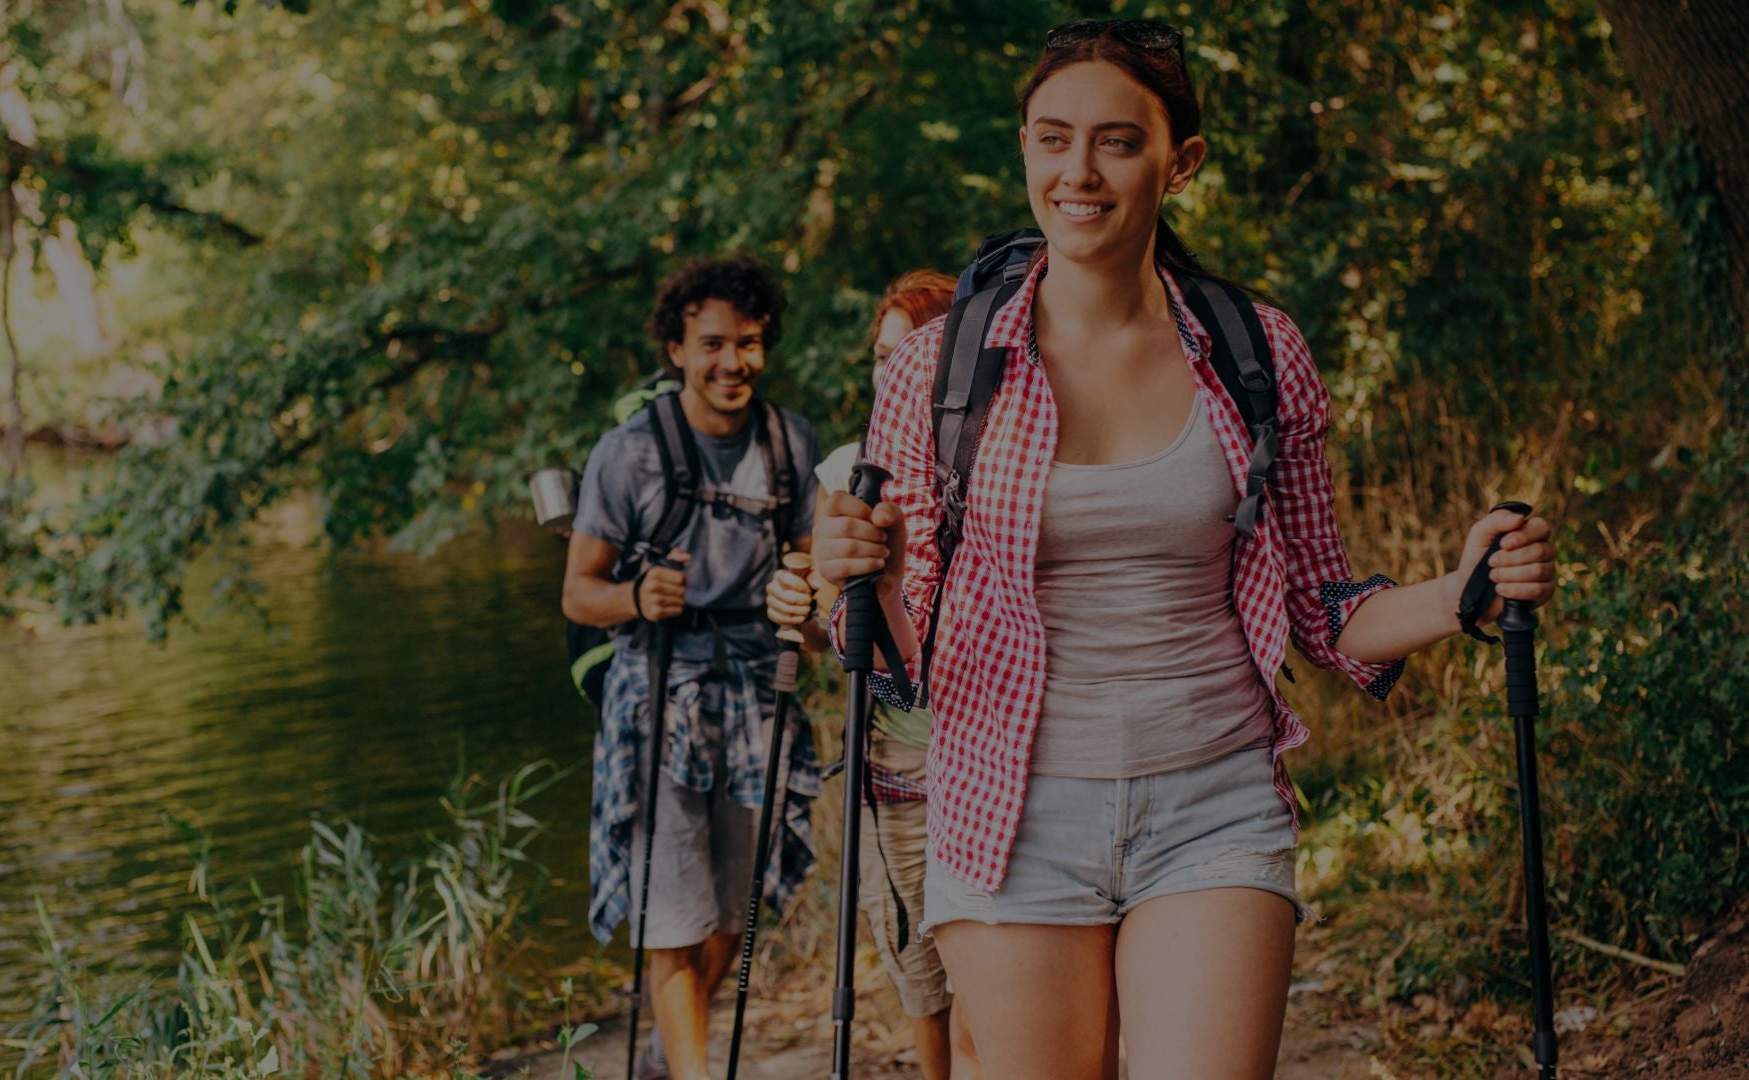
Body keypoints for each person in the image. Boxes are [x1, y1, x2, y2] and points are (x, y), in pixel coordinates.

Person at [808, 19, 1559, 1078]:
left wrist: (1466, 590)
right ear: (1022, 147)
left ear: (1181, 163)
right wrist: (862, 570)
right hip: (1005, 812)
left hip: (1211, 804)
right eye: (1053, 138)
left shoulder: (1256, 353)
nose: (1080, 170)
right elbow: (898, 647)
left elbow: (1322, 606)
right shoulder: (937, 372)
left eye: (1118, 141)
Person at [562, 254, 823, 1080]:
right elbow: (578, 594)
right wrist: (637, 598)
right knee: (673, 915)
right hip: (658, 703)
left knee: (731, 919)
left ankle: (668, 1055)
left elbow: (817, 597)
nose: (733, 362)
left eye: (749, 343)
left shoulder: (789, 443)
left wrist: (806, 608)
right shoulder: (628, 454)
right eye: (712, 343)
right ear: (676, 348)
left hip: (758, 698)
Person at [770, 270, 981, 1080]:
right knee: (925, 989)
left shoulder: (998, 457)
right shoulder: (847, 473)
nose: (890, 375)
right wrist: (800, 599)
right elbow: (830, 630)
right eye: (880, 358)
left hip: (986, 756)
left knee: (998, 994)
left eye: (911, 354)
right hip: (895, 767)